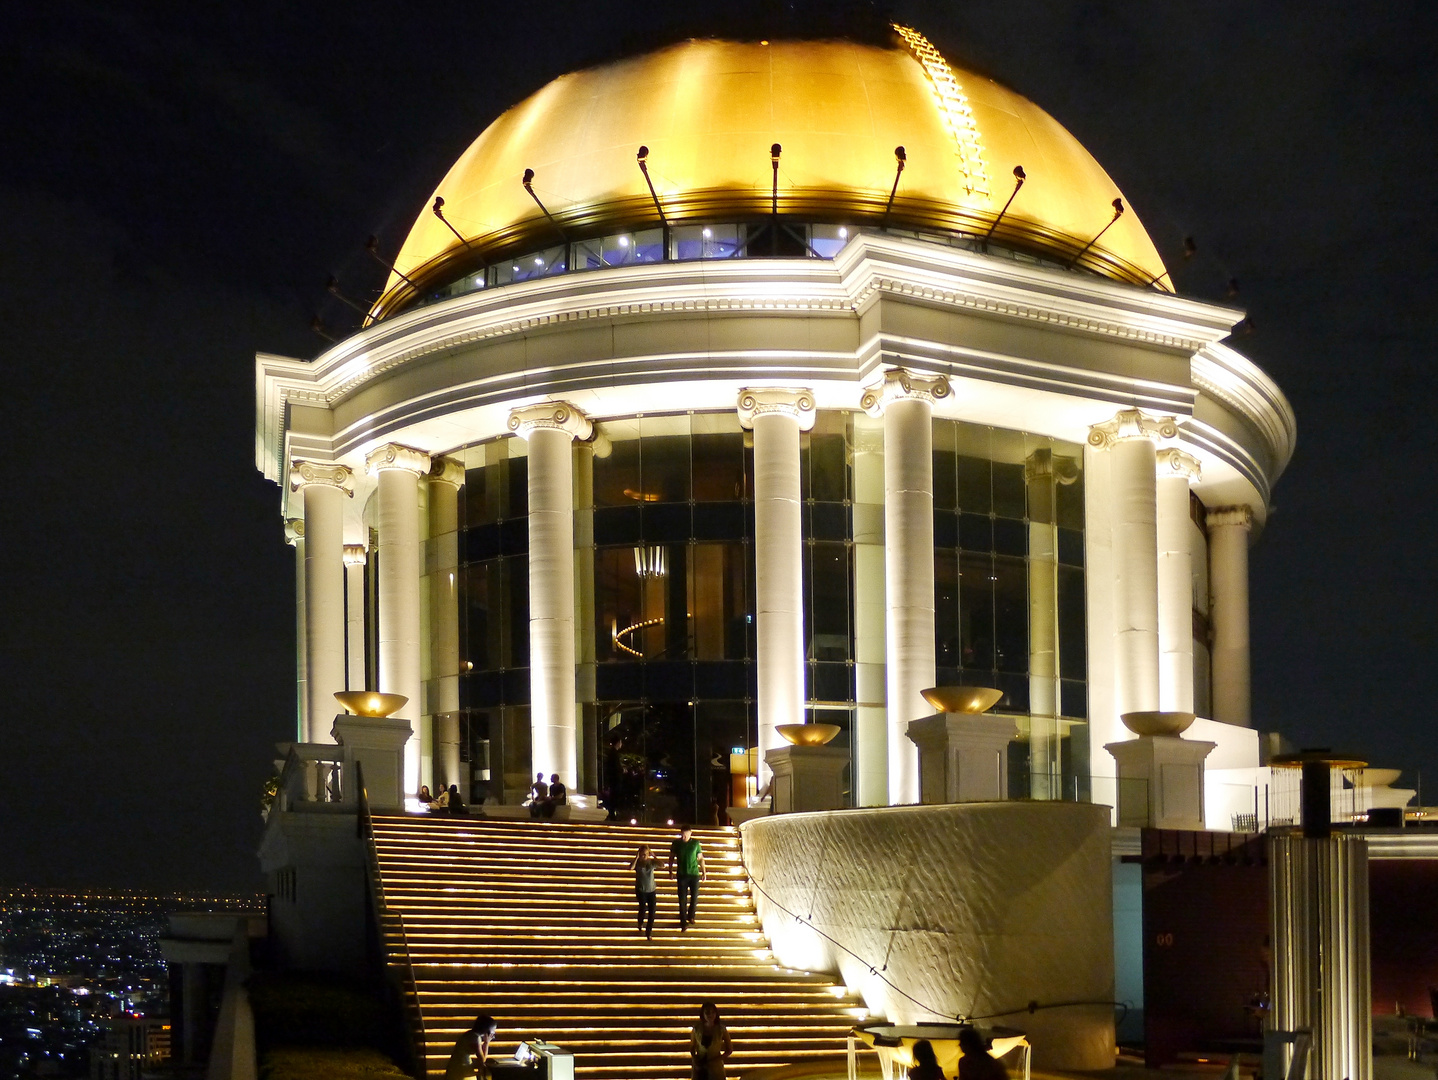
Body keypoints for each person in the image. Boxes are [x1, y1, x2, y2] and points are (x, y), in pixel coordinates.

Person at [667, 826, 705, 930]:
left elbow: (700, 858)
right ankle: (683, 921)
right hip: (682, 874)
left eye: (686, 835)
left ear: (690, 834)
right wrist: (670, 871)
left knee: (694, 897)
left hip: (694, 874)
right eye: (682, 835)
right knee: (682, 899)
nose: (684, 837)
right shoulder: (676, 843)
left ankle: (691, 915)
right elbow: (671, 858)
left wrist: (704, 871)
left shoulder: (695, 843)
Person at [444, 1014, 497, 1080]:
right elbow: (482, 1060)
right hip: (461, 1070)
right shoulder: (475, 1038)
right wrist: (487, 1042)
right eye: (494, 1029)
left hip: (458, 1067)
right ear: (487, 1029)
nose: (494, 1032)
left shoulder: (470, 1034)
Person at [688, 1002, 732, 1080]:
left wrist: (715, 1060)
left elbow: (729, 1049)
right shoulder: (697, 1029)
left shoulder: (721, 1029)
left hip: (716, 1067)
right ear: (703, 1014)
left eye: (713, 1012)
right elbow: (692, 1047)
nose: (710, 1015)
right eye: (707, 1012)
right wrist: (695, 1059)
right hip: (700, 1067)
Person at [630, 844, 658, 939]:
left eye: (646, 854)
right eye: (642, 854)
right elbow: (631, 867)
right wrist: (636, 857)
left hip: (651, 890)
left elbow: (663, 865)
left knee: (652, 911)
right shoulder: (637, 863)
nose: (644, 856)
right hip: (641, 890)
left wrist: (654, 856)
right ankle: (640, 922)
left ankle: (648, 932)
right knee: (642, 908)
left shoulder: (651, 862)